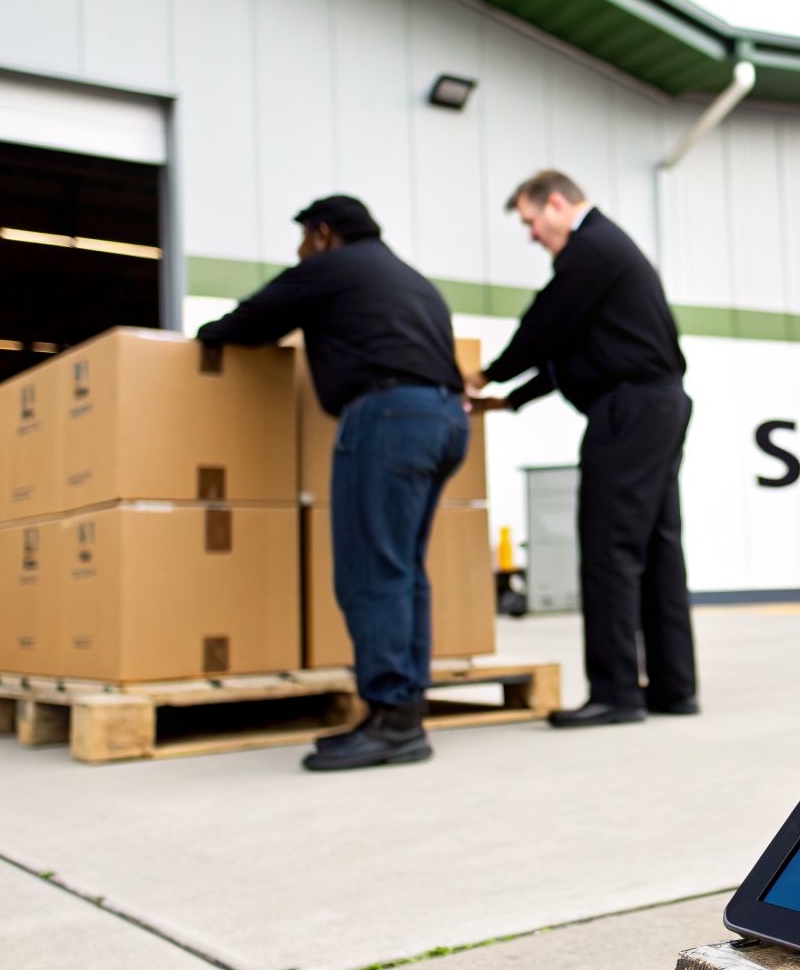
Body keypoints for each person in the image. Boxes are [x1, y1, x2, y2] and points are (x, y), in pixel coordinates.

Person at [197, 195, 469, 771]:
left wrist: (207, 334)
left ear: (322, 234)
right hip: (445, 420)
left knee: (371, 571)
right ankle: (399, 711)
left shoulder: (331, 267)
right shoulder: (410, 278)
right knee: (402, 570)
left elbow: (250, 322)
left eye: (301, 240)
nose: (298, 253)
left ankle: (393, 720)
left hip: (389, 417)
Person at [472, 170, 697, 727]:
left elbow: (545, 324)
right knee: (657, 549)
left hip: (627, 411)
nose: (531, 236)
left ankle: (615, 694)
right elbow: (568, 349)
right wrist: (513, 398)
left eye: (530, 222)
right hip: (658, 406)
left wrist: (484, 375)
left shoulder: (590, 246)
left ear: (554, 204)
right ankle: (673, 687)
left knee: (608, 548)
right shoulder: (607, 252)